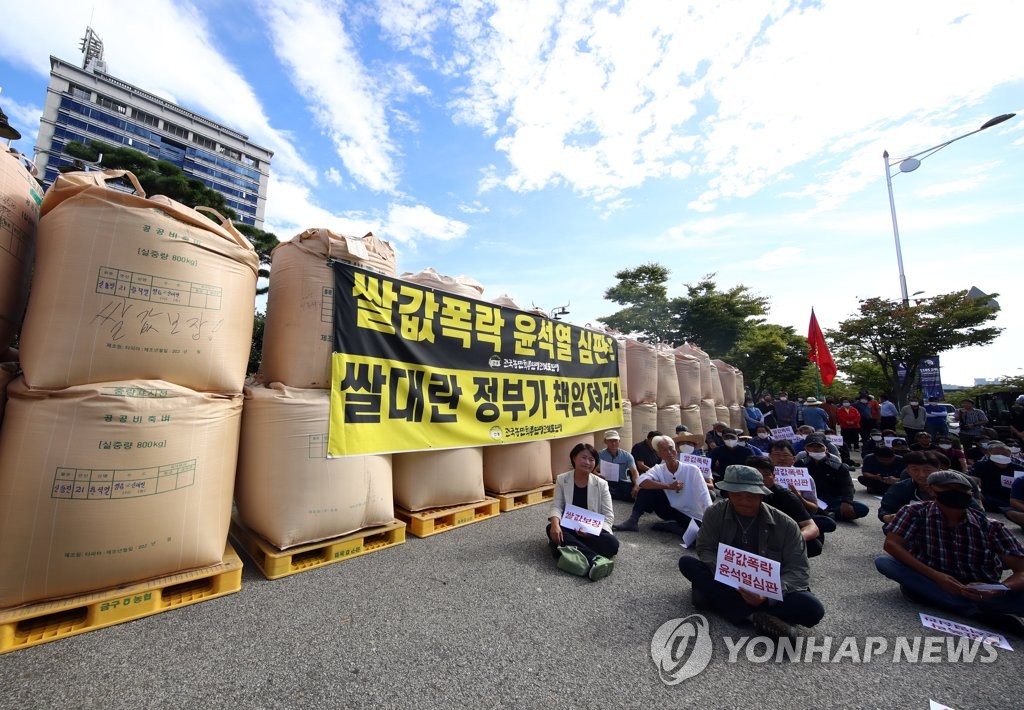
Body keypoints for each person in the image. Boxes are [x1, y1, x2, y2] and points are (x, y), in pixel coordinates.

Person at [678, 465, 826, 639]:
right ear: (727, 493)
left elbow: (798, 570)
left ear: (762, 495)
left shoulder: (786, 524)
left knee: (813, 609)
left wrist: (766, 594)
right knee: (687, 564)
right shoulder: (714, 513)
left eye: (751, 496)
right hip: (731, 581)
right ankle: (755, 617)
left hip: (770, 586)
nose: (744, 501)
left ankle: (728, 604)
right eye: (737, 495)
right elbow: (706, 549)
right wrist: (734, 579)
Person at [875, 470, 1024, 636]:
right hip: (932, 578)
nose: (957, 494)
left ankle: (943, 599)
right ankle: (973, 611)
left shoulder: (991, 526)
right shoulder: (915, 512)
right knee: (885, 563)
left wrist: (999, 589)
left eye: (963, 490)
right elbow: (892, 545)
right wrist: (937, 576)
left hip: (980, 589)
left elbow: (1021, 570)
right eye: (949, 489)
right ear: (932, 491)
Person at [612, 435, 713, 534]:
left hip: (690, 513)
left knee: (699, 535)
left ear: (676, 450)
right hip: (669, 510)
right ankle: (633, 521)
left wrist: (711, 520)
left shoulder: (692, 470)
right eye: (664, 450)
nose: (669, 453)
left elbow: (704, 495)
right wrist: (669, 486)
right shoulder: (659, 469)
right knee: (646, 489)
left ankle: (674, 526)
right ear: (658, 454)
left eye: (671, 448)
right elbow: (641, 481)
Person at [547, 443, 619, 576]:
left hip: (592, 530)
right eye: (584, 457)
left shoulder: (601, 484)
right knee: (552, 528)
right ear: (574, 458)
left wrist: (590, 532)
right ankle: (595, 558)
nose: (588, 462)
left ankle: (567, 549)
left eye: (592, 460)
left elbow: (608, 516)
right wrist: (555, 525)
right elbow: (557, 505)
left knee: (612, 544)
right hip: (569, 527)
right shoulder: (563, 479)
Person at [746, 456, 824, 557]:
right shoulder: (737, 493)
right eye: (755, 475)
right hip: (748, 533)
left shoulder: (786, 496)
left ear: (774, 476)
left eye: (766, 474)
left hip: (777, 537)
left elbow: (811, 527)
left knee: (813, 546)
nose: (761, 479)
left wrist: (789, 541)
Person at [877, 450, 966, 523]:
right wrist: (888, 517)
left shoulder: (954, 487)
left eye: (927, 470)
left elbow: (975, 511)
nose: (921, 475)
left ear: (938, 469)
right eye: (914, 470)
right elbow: (886, 510)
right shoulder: (900, 488)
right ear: (908, 470)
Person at [795, 434, 870, 521]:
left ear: (826, 448)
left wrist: (846, 502)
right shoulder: (800, 465)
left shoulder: (839, 466)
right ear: (806, 449)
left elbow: (848, 486)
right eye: (811, 446)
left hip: (834, 499)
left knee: (862, 508)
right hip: (813, 499)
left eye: (819, 446)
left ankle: (827, 513)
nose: (815, 449)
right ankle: (829, 514)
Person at [971, 442, 1024, 514]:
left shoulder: (1019, 468)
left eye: (1004, 454)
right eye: (998, 453)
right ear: (989, 454)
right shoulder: (981, 465)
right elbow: (974, 481)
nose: (1001, 455)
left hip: (1013, 498)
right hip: (990, 497)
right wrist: (976, 492)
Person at [597, 430, 640, 502]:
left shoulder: (627, 455)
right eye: (610, 441)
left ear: (619, 441)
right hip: (606, 481)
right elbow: (593, 470)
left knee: (635, 492)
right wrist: (597, 474)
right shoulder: (600, 455)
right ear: (605, 441)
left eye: (615, 440)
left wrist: (636, 485)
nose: (613, 443)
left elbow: (634, 472)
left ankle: (613, 494)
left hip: (622, 482)